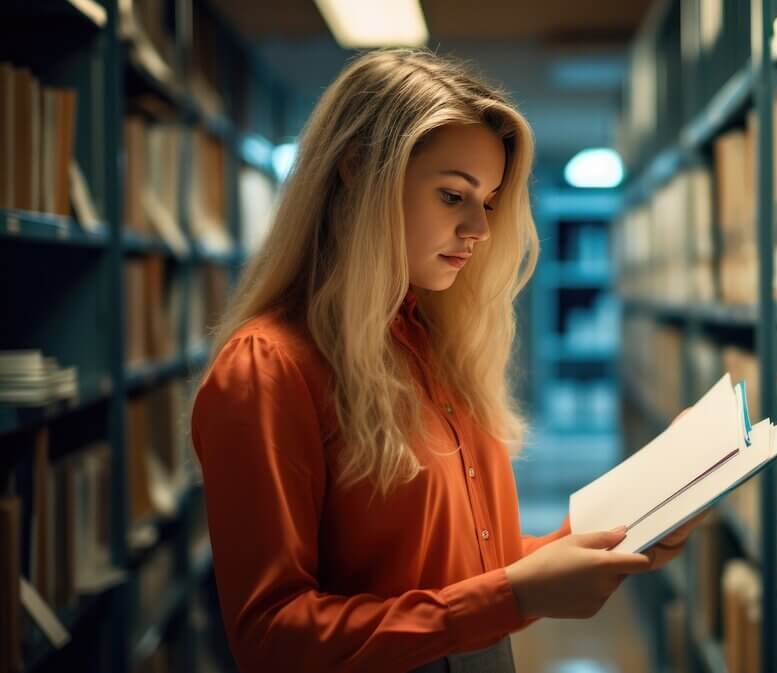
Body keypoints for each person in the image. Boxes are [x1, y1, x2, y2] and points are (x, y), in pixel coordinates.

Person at [190, 49, 704, 673]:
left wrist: (609, 536)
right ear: (357, 170)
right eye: (452, 194)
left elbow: (461, 565)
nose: (479, 230)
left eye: (486, 202)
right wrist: (513, 597)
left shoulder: (431, 342)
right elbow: (272, 638)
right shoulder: (268, 370)